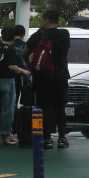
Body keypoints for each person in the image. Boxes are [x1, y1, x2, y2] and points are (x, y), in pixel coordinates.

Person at [22, 10, 71, 149]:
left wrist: (33, 66)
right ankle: (62, 138)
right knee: (60, 107)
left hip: (42, 78)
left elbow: (24, 53)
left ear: (46, 21)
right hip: (60, 76)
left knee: (44, 108)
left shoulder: (38, 35)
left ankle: (47, 139)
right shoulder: (64, 34)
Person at [0, 27, 31, 145]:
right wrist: (23, 71)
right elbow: (12, 66)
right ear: (13, 37)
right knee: (8, 110)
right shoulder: (11, 50)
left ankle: (2, 133)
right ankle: (5, 135)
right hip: (8, 81)